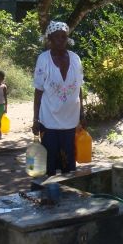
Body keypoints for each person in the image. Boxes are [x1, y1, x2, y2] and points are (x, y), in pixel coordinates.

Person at [32, 20, 85, 176]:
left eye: (64, 37)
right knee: (50, 166)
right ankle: (50, 195)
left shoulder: (76, 58)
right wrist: (35, 119)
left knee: (68, 164)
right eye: (57, 37)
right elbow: (38, 90)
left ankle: (68, 196)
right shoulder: (43, 59)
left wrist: (82, 114)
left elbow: (79, 87)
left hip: (71, 121)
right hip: (49, 121)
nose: (62, 40)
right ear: (50, 39)